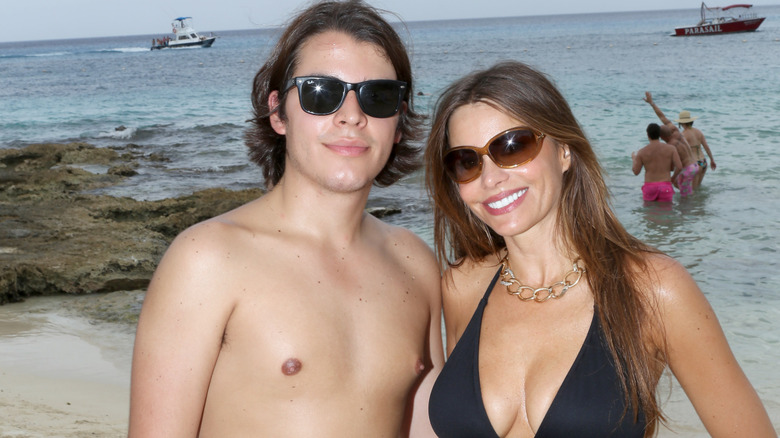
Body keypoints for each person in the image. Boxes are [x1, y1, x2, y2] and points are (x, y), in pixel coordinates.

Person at [129, 1, 443, 437]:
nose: (352, 115)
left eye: (379, 96)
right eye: (321, 93)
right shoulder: (208, 260)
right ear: (278, 112)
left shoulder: (415, 263)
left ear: (400, 119)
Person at [424, 61, 775, 437]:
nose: (490, 177)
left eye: (513, 146)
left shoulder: (654, 289)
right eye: (466, 161)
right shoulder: (463, 286)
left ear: (564, 151)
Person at [643, 92, 699, 198]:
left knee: (684, 195)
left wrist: (672, 177)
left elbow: (678, 166)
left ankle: (689, 208)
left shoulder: (671, 146)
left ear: (662, 137)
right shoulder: (675, 129)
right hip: (695, 165)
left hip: (687, 169)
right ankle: (694, 200)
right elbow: (662, 116)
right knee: (685, 188)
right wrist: (652, 103)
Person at [632, 123, 682, 202]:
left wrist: (634, 159)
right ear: (659, 135)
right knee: (666, 213)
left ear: (648, 135)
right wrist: (673, 178)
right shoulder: (671, 149)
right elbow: (679, 167)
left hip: (649, 187)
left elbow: (636, 172)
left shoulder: (641, 152)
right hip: (665, 186)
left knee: (649, 213)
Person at [676, 110, 716, 189]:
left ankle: (693, 201)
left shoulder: (683, 135)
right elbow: (706, 147)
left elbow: (680, 152)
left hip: (694, 164)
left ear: (681, 123)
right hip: (703, 162)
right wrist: (712, 160)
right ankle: (699, 201)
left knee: (693, 191)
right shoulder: (698, 132)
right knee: (698, 188)